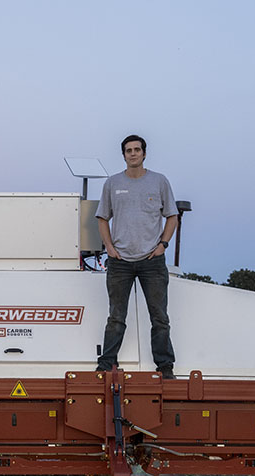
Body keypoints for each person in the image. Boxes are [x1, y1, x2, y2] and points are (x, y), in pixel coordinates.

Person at [95, 134, 179, 379]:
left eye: (137, 150)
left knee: (160, 317)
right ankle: (106, 364)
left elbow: (172, 215)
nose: (133, 153)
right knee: (116, 317)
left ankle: (165, 367)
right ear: (123, 155)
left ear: (144, 153)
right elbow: (102, 218)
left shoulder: (159, 182)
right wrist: (109, 246)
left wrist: (163, 244)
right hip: (120, 262)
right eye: (128, 150)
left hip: (152, 261)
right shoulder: (112, 184)